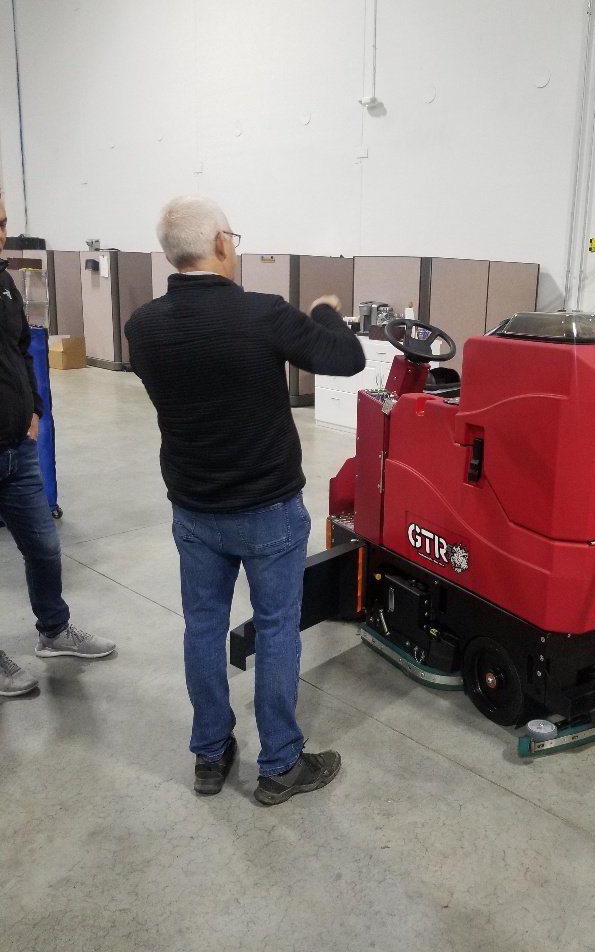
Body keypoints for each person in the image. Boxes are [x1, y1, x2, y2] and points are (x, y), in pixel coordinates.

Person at [125, 195, 365, 804]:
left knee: (202, 627)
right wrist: (322, 313)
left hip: (195, 509)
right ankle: (280, 764)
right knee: (279, 628)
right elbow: (346, 357)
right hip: (267, 511)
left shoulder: (143, 326)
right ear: (223, 245)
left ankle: (210, 754)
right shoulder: (264, 315)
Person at [0, 195, 116, 697]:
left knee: (44, 548)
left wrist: (35, 413)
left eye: (2, 222)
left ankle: (53, 631)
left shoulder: (4, 283)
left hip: (18, 451)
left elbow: (21, 348)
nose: (0, 233)